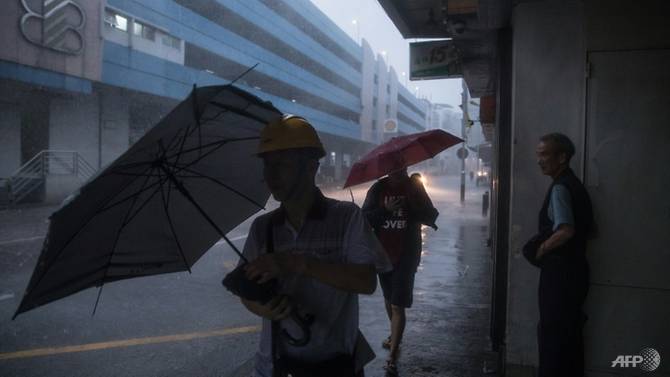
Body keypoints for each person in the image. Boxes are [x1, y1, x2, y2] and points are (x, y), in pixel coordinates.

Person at [239, 114, 391, 377]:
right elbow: (246, 290)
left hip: (335, 367)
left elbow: (366, 282)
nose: (271, 175)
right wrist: (262, 307)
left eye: (281, 165)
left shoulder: (347, 218)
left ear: (311, 167)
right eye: (267, 166)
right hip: (273, 368)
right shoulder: (262, 228)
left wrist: (295, 262)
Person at [527, 133, 594, 377]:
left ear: (562, 157)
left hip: (560, 274)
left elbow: (566, 230)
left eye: (544, 154)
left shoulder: (561, 188)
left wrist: (542, 249)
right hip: (576, 271)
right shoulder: (574, 184)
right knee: (569, 336)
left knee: (553, 337)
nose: (539, 160)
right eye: (538, 154)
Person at [362, 168, 438, 376]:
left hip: (407, 254)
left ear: (405, 166)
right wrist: (385, 210)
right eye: (393, 168)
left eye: (400, 167)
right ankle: (394, 334)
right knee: (389, 299)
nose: (397, 172)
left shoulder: (414, 187)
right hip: (383, 254)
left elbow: (431, 215)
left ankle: (393, 355)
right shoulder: (378, 188)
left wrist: (412, 207)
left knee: (398, 304)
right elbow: (364, 219)